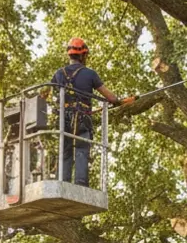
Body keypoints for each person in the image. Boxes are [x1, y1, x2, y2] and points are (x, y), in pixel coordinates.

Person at [52, 38, 133, 187]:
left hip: (64, 118)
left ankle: (62, 183)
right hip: (82, 117)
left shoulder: (58, 74)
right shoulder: (90, 74)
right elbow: (111, 97)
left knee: (65, 150)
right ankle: (81, 183)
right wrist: (117, 102)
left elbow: (54, 96)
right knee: (82, 149)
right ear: (83, 55)